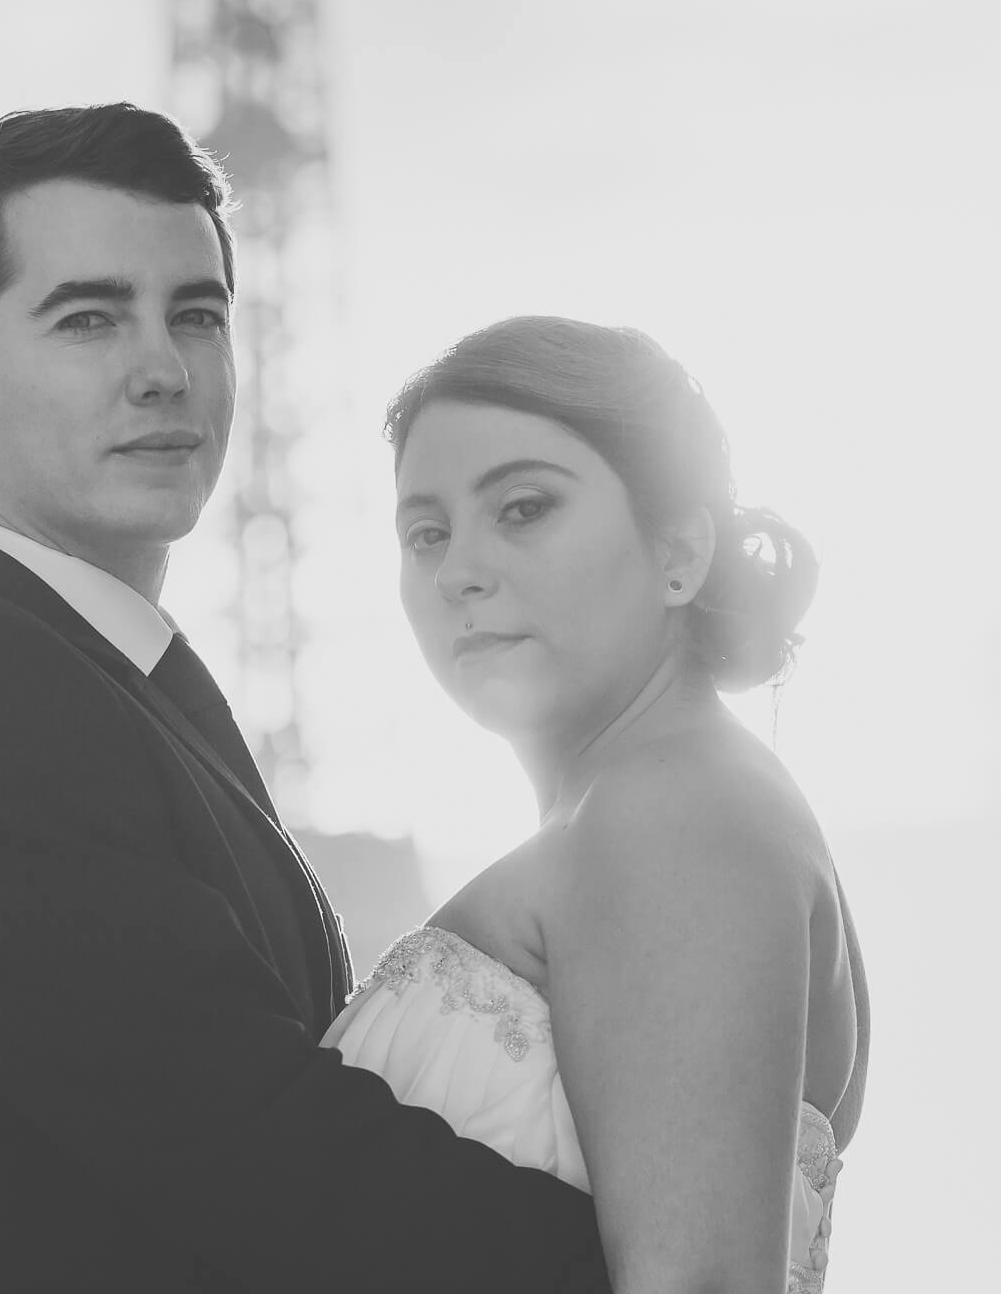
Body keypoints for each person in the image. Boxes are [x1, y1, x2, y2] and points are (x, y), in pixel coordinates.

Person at [0, 105, 612, 1292]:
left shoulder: (102, 685)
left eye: (198, 314)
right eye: (87, 319)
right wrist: (662, 1262)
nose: (163, 370)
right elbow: (265, 1159)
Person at [327, 316, 870, 1294]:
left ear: (680, 553)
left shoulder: (676, 816)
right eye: (427, 532)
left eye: (525, 507)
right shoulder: (661, 804)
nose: (460, 571)